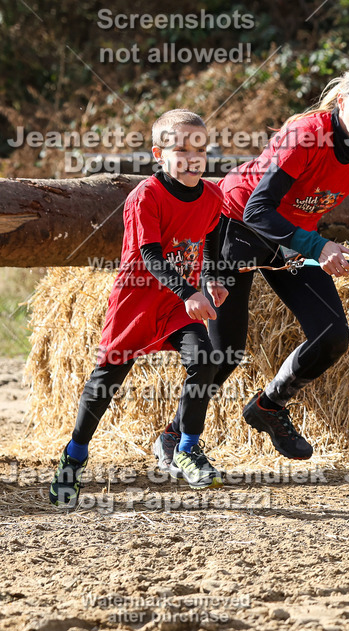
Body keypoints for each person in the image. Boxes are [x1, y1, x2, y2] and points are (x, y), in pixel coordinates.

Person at [199, 63, 349, 460]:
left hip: (289, 238)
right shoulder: (307, 136)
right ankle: (177, 436)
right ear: (342, 98)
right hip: (236, 223)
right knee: (227, 352)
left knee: (332, 334)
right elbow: (258, 210)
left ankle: (269, 406)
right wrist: (319, 246)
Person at [49, 109, 228, 507]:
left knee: (206, 358)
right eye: (179, 148)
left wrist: (213, 277)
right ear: (158, 154)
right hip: (137, 302)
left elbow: (213, 235)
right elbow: (150, 255)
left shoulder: (213, 195)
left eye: (198, 148)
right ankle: (74, 457)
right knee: (104, 383)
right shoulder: (146, 195)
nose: (190, 157)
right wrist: (190, 291)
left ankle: (186, 448)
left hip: (178, 305)